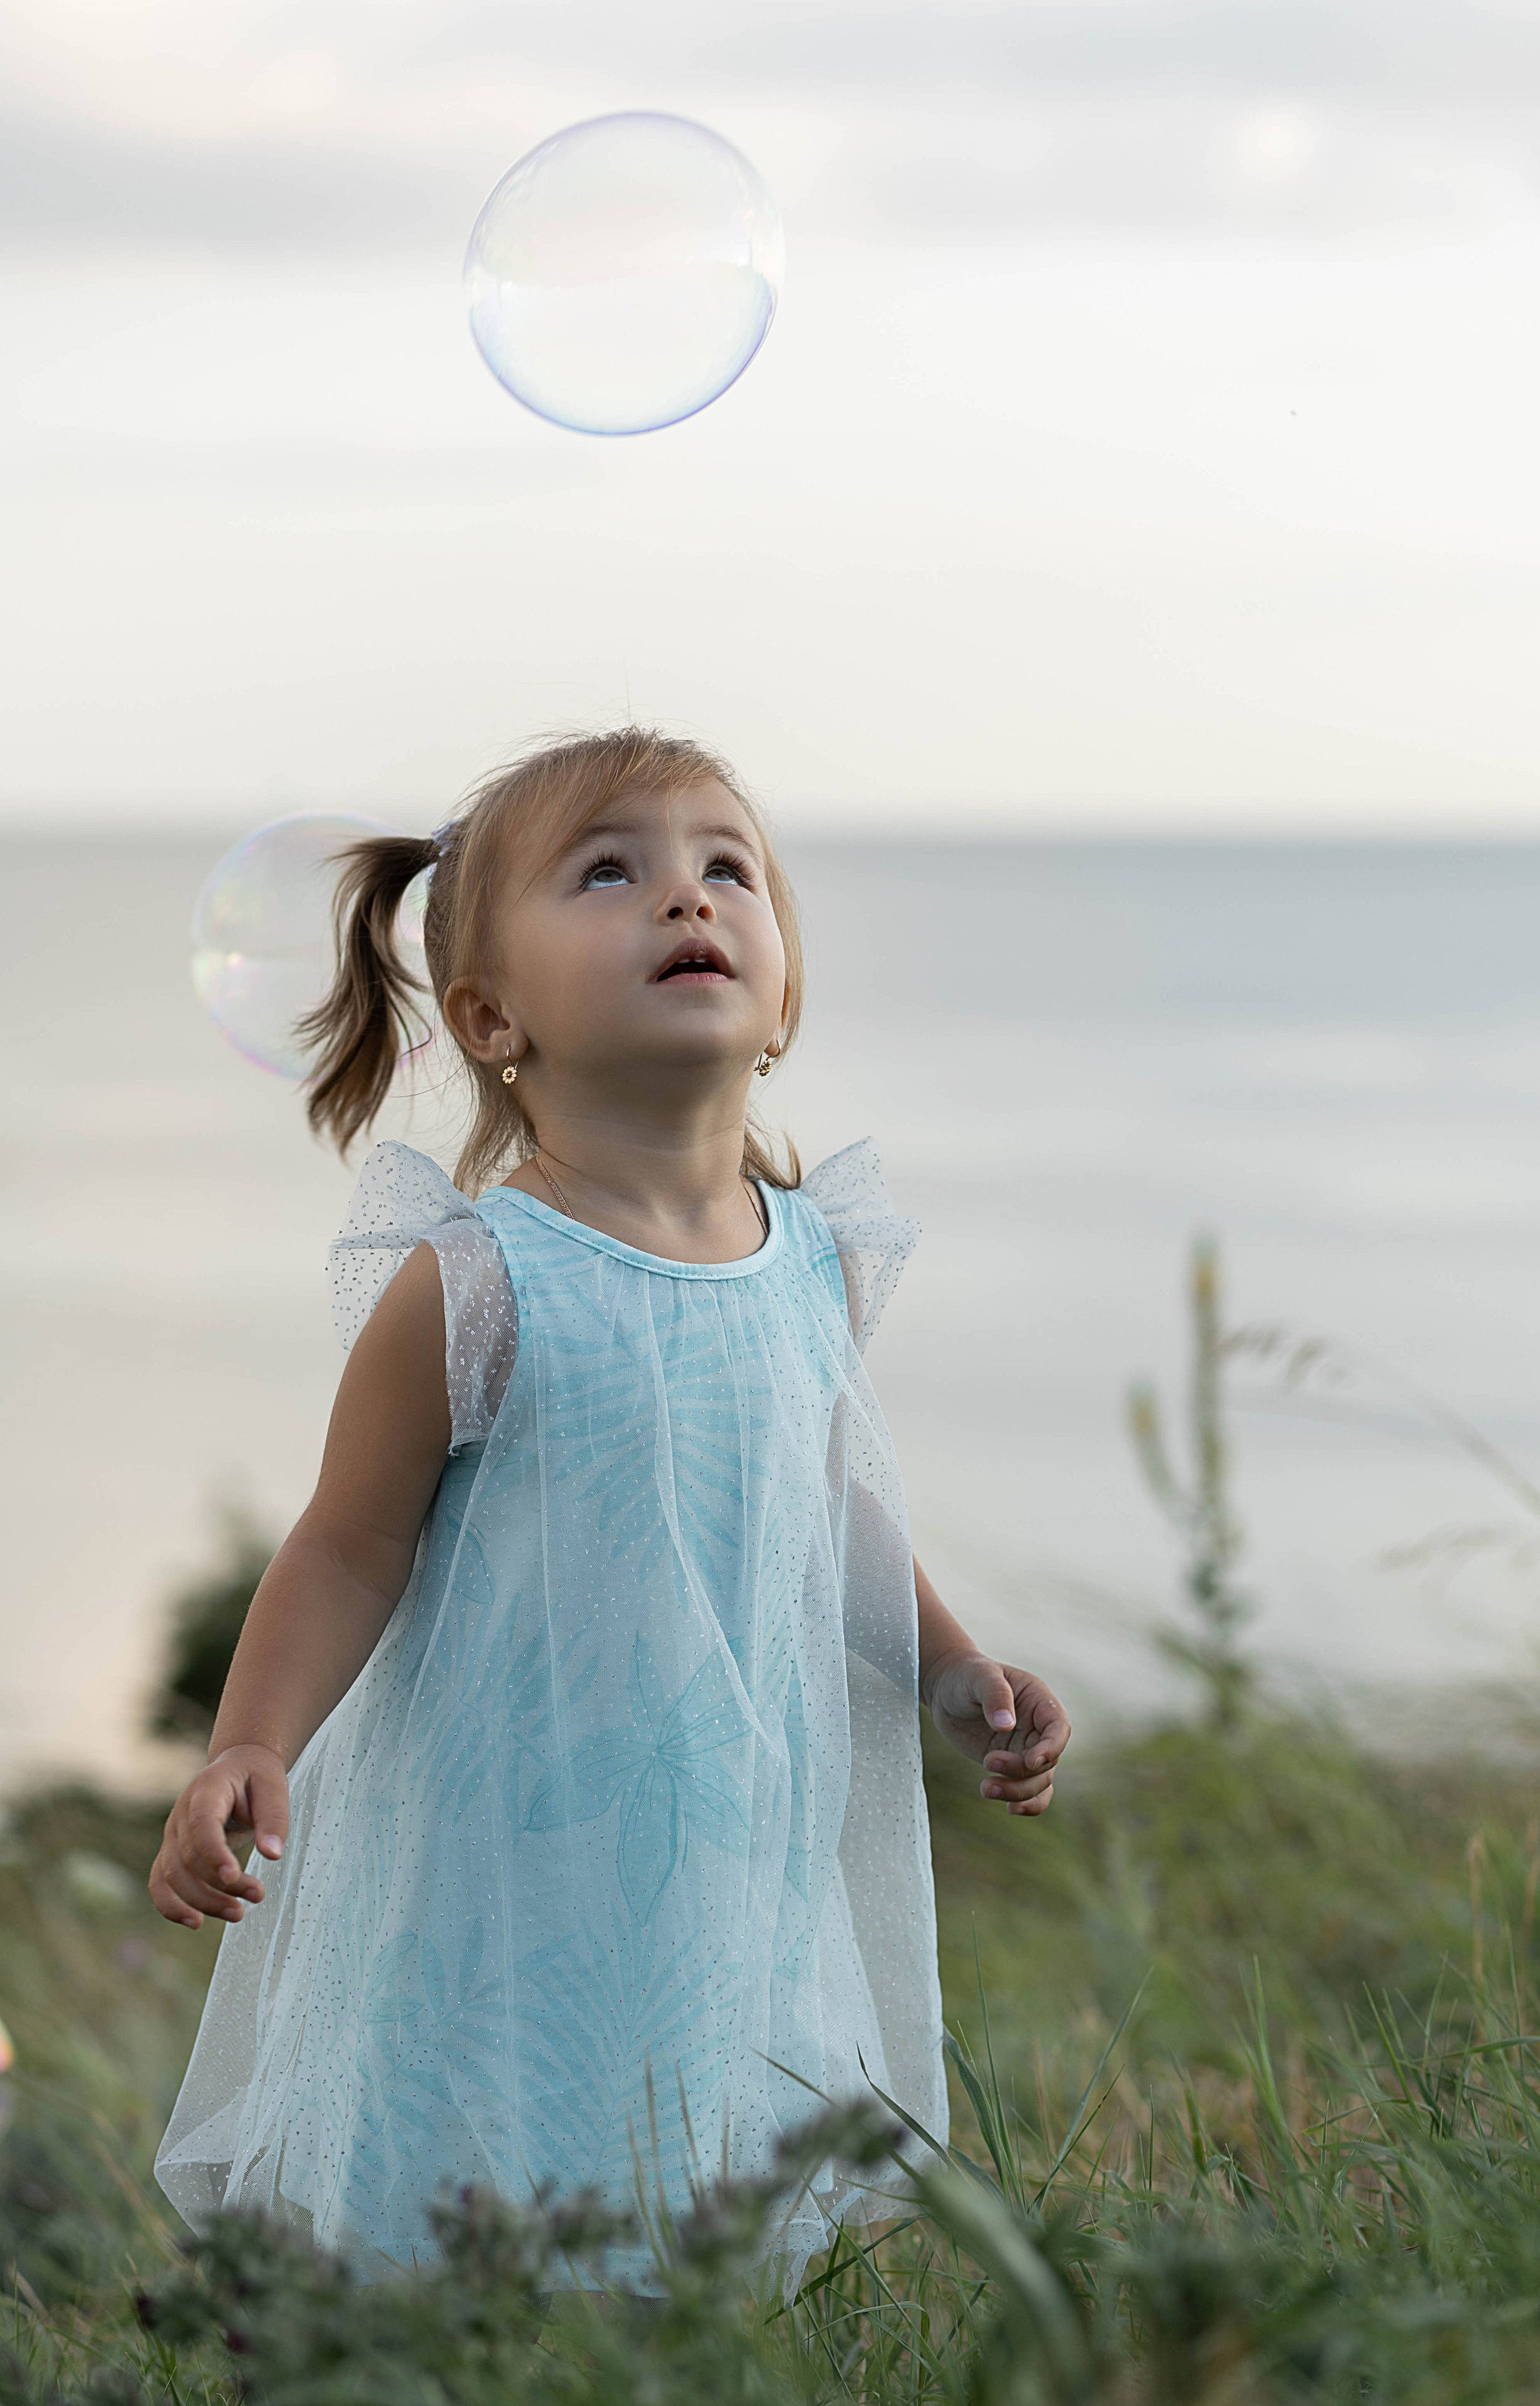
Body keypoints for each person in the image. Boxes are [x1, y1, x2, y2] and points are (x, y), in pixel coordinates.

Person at [149, 728, 1070, 2285]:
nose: (684, 898)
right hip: (499, 1859)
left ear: (779, 996)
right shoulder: (479, 1283)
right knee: (469, 2164)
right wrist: (249, 1740)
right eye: (609, 872)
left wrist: (944, 1663)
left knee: (684, 2161)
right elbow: (347, 1543)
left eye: (727, 867)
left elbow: (822, 1505)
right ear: (491, 1017)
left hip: (721, 1841)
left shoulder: (814, 1263)